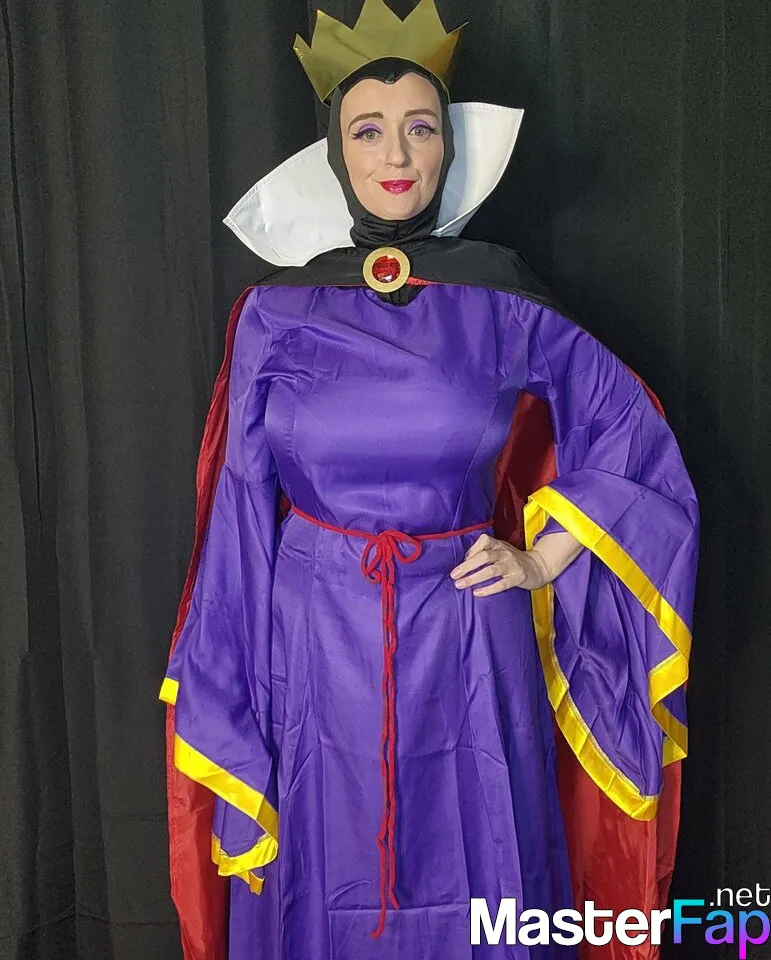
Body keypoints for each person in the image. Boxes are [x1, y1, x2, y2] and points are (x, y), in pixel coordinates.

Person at [160, 2, 698, 958]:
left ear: (447, 146)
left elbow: (627, 430)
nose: (396, 153)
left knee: (480, 863)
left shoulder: (501, 301)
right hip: (311, 642)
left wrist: (543, 560)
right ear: (336, 153)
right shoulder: (272, 315)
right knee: (323, 869)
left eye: (419, 127)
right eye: (368, 131)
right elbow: (239, 508)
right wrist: (232, 688)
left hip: (468, 634)